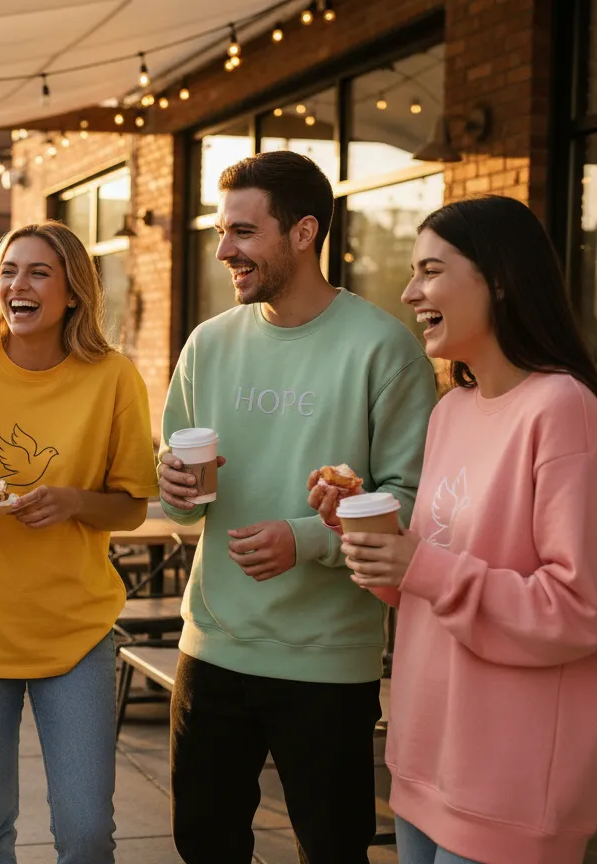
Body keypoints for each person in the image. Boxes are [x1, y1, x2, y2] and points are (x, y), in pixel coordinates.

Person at [156, 150, 438, 863]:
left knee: (333, 850)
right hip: (212, 647)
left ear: (305, 232)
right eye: (223, 233)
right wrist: (175, 488)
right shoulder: (207, 345)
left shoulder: (384, 348)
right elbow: (183, 509)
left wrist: (305, 536)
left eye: (244, 233)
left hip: (327, 660)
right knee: (204, 846)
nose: (224, 251)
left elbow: (411, 501)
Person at [339, 196, 597, 864]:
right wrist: (372, 538)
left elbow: (578, 611)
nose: (408, 290)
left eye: (430, 270)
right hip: (423, 759)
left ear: (501, 279)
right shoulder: (450, 409)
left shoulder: (564, 410)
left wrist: (418, 566)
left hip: (506, 786)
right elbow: (429, 580)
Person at [0, 221, 159, 864]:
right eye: (10, 270)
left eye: (39, 272)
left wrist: (74, 502)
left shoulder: (114, 378)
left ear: (73, 291)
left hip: (75, 627)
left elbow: (132, 507)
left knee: (85, 832)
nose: (19, 284)